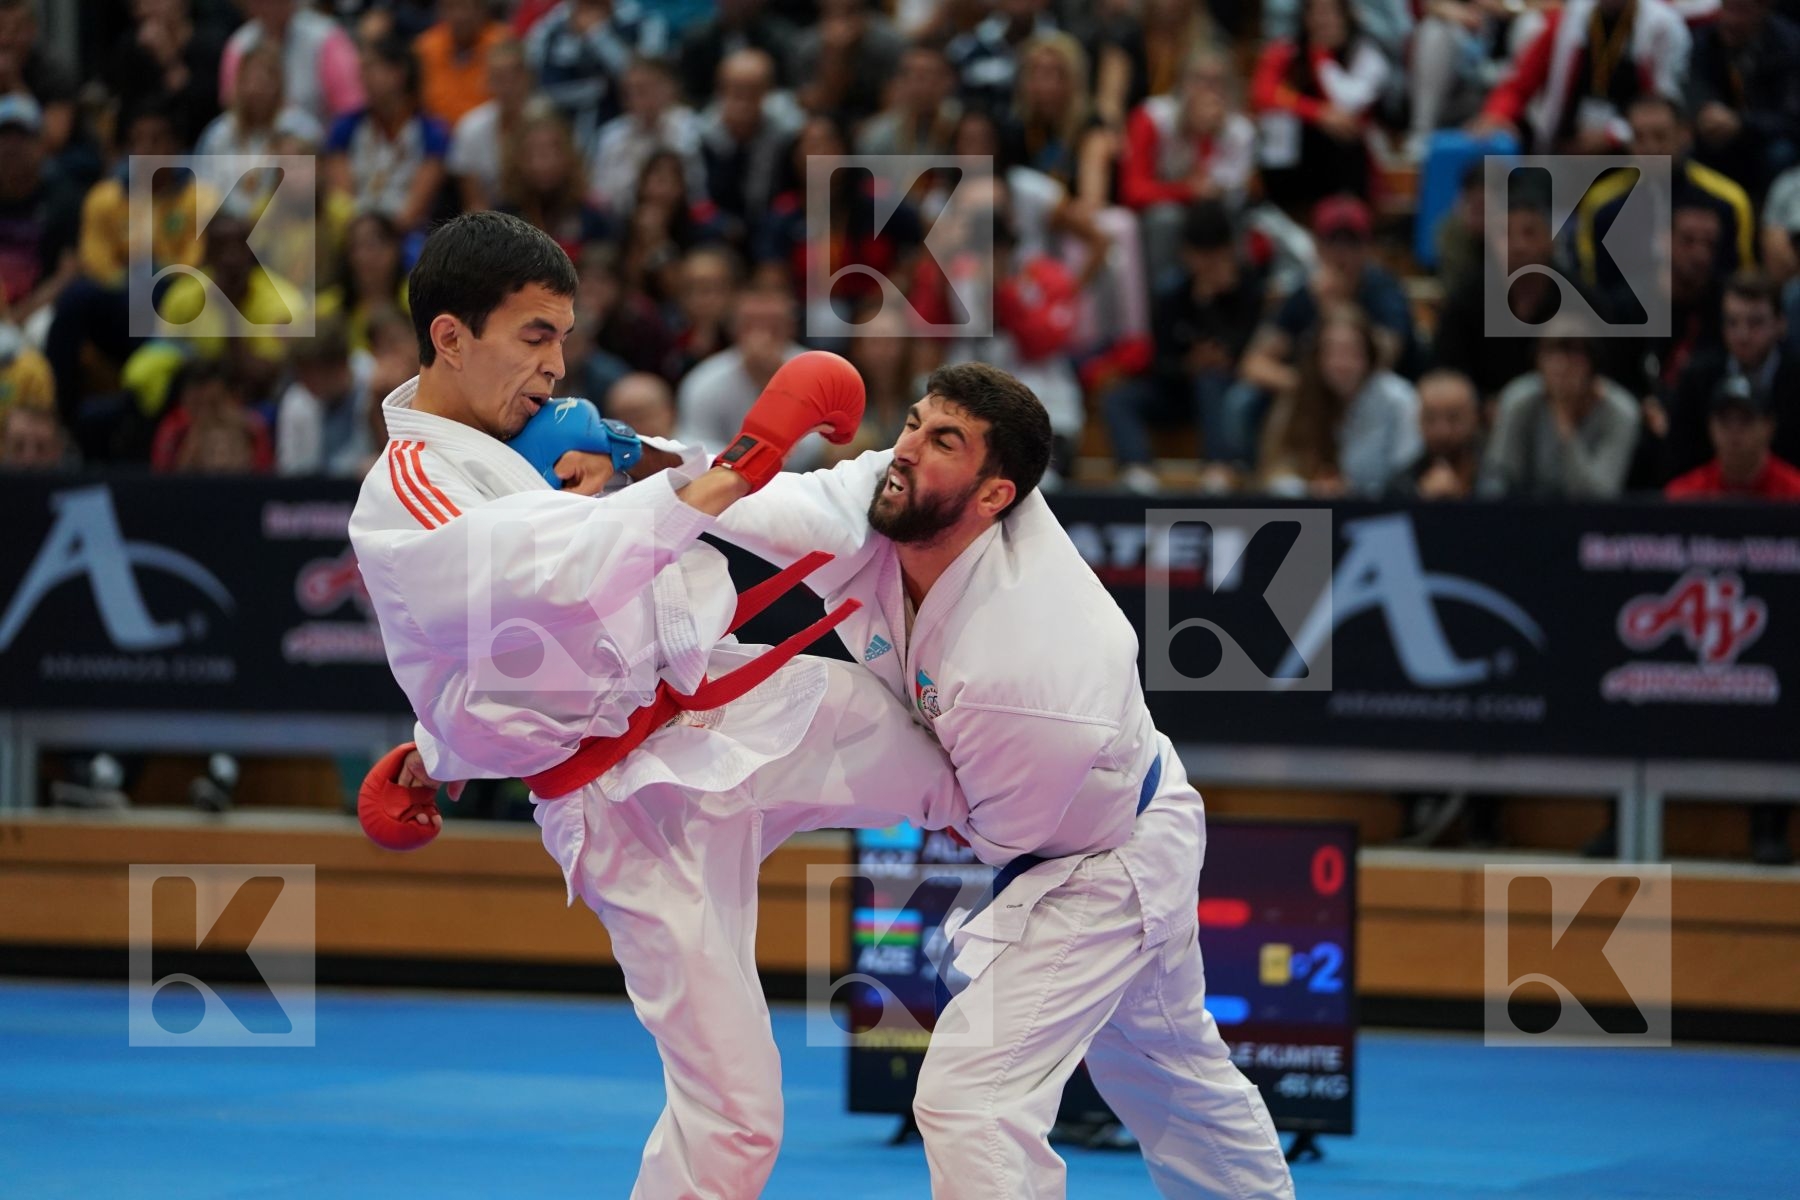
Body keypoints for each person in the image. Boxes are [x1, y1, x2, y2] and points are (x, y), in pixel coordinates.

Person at [349, 211, 965, 1198]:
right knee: (737, 1119)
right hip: (625, 818)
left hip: (720, 716)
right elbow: (548, 575)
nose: (557, 363)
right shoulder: (410, 492)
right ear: (450, 337)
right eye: (533, 336)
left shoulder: (540, 438)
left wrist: (436, 754)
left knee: (966, 769)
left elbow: (493, 660)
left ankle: (1114, 892)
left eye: (564, 334)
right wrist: (739, 462)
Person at [713, 362, 1297, 1200]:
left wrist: (910, 777)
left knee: (970, 1100)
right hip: (1120, 800)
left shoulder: (1027, 666)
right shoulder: (890, 496)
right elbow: (752, 501)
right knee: (1173, 1074)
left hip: (1101, 862)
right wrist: (635, 467)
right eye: (913, 421)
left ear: (995, 496)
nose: (906, 449)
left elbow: (1000, 833)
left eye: (942, 440)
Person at [1104, 198, 1269, 489]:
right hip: (1177, 390)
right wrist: (1187, 365)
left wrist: (1211, 311)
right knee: (1119, 397)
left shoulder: (1249, 290)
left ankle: (1219, 467)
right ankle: (1137, 469)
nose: (1205, 265)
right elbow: (1160, 360)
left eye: (1213, 256)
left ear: (1229, 250)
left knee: (1212, 380)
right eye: (1198, 255)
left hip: (1227, 391)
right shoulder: (1172, 293)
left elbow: (1251, 347)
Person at [1258, 303, 1421, 497]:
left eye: (1351, 351)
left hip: (1381, 510)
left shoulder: (1399, 399)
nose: (1341, 363)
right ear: (1317, 356)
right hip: (1317, 514)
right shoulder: (1301, 395)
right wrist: (1310, 490)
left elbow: (1408, 474)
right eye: (1332, 352)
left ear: (1369, 353)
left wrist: (1351, 491)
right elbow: (1276, 471)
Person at [1665, 271, 1800, 478]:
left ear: (1780, 324)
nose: (1742, 335)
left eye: (1755, 323)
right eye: (1732, 322)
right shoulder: (1698, 378)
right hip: (1708, 502)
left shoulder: (1796, 377)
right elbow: (1677, 462)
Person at [1479, 333, 1640, 497]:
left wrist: (1566, 430)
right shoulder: (1519, 401)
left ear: (1593, 364)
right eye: (1550, 354)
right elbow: (1496, 479)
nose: (1561, 366)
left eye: (1574, 356)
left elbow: (1599, 495)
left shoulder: (1619, 411)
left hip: (1590, 518)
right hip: (1524, 515)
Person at [1665, 375, 1800, 499]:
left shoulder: (1794, 494)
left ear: (1768, 426)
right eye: (1724, 420)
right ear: (1710, 426)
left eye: (1745, 420)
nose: (1734, 430)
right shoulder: (1685, 496)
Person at [1386, 368, 1485, 498]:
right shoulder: (1400, 486)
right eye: (1430, 419)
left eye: (1453, 418)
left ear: (1474, 418)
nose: (1442, 432)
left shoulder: (1497, 483)